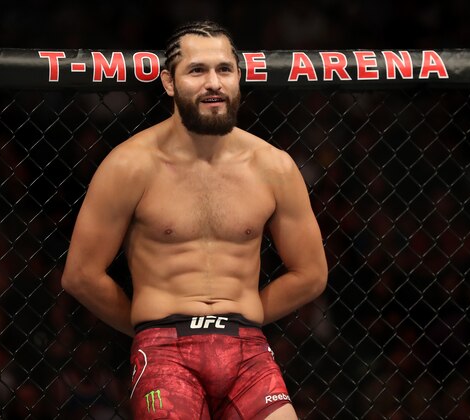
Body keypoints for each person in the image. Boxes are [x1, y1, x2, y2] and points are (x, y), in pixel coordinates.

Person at [62, 20, 328, 419]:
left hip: (248, 350)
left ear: (239, 78)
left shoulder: (274, 167)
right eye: (197, 70)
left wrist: (244, 312)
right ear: (169, 82)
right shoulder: (130, 165)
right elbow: (80, 274)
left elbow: (310, 273)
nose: (213, 83)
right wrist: (148, 325)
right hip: (165, 350)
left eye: (224, 69)